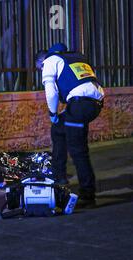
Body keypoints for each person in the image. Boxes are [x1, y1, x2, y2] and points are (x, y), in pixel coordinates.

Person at [35, 43, 105, 208]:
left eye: (39, 67)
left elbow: (50, 90)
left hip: (80, 104)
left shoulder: (50, 61)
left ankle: (88, 194)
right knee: (59, 130)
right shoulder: (76, 58)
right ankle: (59, 177)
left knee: (77, 149)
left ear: (41, 61)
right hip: (92, 104)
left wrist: (52, 113)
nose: (40, 70)